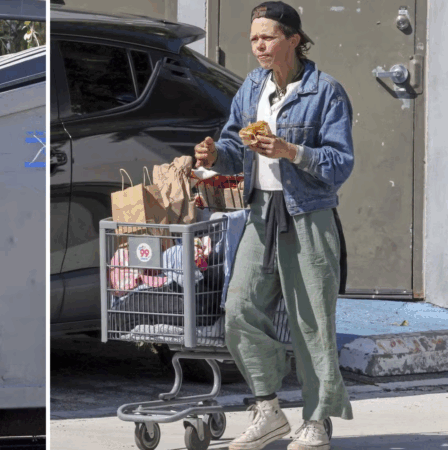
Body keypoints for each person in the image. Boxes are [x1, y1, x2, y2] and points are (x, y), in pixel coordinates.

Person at [194, 2, 353, 450]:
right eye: (253, 40)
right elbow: (231, 142)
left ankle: (317, 422)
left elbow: (340, 163)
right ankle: (267, 410)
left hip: (308, 215)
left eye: (267, 38)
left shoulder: (327, 92)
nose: (258, 47)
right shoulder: (252, 87)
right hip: (260, 212)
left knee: (312, 323)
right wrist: (213, 155)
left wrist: (291, 151)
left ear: (294, 40)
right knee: (239, 309)